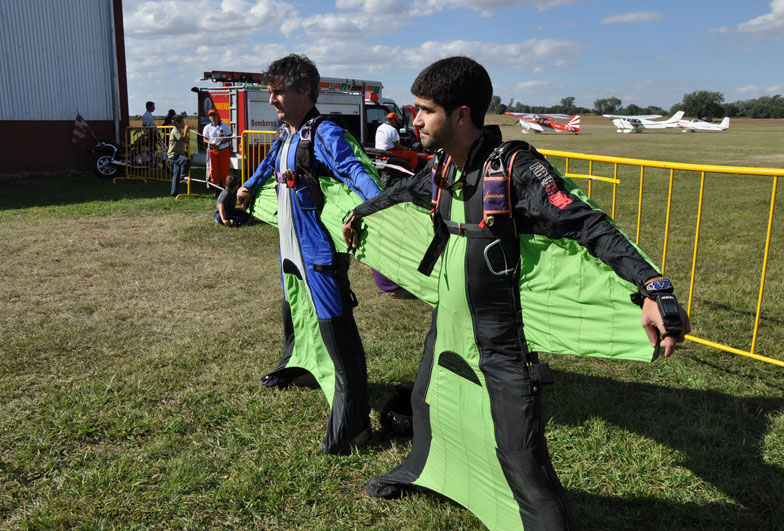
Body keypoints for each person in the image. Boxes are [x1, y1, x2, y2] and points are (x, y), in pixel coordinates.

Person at [343, 56, 690, 530]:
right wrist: (361, 212)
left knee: (522, 460)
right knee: (427, 407)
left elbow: (589, 223)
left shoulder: (516, 170)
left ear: (461, 115)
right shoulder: (444, 165)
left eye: (425, 110)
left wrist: (653, 286)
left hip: (503, 344)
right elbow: (405, 192)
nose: (415, 120)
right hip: (447, 327)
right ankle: (421, 467)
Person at [236, 54, 381, 455]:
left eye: (279, 92)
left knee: (338, 333)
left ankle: (355, 426)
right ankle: (300, 367)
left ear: (306, 90)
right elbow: (268, 164)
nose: (273, 100)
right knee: (295, 312)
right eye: (270, 92)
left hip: (319, 254)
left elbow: (358, 171)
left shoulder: (325, 133)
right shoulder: (287, 133)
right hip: (290, 249)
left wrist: (373, 211)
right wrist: (247, 186)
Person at [203, 109, 232, 191]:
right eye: (211, 115)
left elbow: (229, 137)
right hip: (212, 151)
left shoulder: (224, 125)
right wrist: (211, 143)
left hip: (224, 151)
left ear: (218, 116)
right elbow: (204, 139)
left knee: (224, 170)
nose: (213, 117)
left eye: (214, 115)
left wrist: (220, 143)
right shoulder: (207, 128)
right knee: (213, 170)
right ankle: (216, 189)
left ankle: (225, 188)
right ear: (209, 117)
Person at [167, 115, 190, 196]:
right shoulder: (175, 130)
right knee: (185, 160)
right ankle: (183, 176)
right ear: (177, 123)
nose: (184, 123)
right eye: (182, 122)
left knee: (176, 174)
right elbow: (183, 139)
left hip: (179, 153)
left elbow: (184, 141)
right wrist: (186, 130)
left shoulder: (179, 130)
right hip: (174, 154)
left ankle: (174, 192)